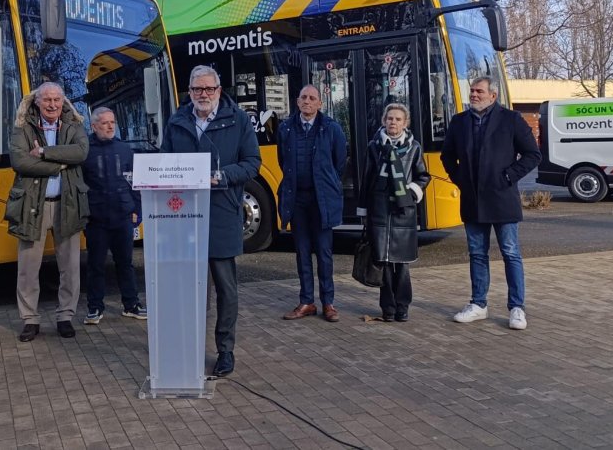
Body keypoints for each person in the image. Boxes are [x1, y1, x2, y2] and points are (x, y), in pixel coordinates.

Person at [161, 65, 261, 377]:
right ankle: (189, 347)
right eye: (197, 90)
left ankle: (225, 351)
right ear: (188, 92)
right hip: (184, 218)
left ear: (219, 90)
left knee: (226, 290)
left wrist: (222, 177)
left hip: (221, 213)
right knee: (189, 290)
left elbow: (252, 163)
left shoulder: (239, 119)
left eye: (209, 89)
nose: (203, 95)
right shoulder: (177, 121)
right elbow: (164, 162)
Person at [441, 76, 541, 330]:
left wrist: (508, 176)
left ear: (492, 96)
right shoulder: (459, 122)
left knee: (510, 252)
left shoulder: (511, 120)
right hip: (473, 200)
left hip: (502, 198)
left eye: (479, 91)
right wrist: (461, 179)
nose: (473, 95)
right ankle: (478, 304)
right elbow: (447, 156)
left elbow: (532, 154)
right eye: (472, 91)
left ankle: (517, 308)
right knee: (476, 253)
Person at [8, 82, 89, 341]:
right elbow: (19, 162)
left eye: (56, 100)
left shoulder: (74, 125)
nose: (52, 105)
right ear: (37, 102)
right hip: (34, 205)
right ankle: (30, 319)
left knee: (70, 267)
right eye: (47, 100)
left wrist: (43, 152)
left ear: (63, 102)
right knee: (28, 267)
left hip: (68, 203)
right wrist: (59, 166)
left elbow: (81, 152)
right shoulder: (23, 126)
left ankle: (65, 316)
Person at [277, 85, 347, 322]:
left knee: (324, 253)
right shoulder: (285, 128)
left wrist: (326, 184)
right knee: (302, 252)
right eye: (303, 97)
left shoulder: (331, 129)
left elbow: (339, 163)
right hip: (297, 200)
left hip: (322, 200)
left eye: (312, 98)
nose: (307, 101)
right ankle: (307, 302)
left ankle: (328, 303)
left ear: (320, 104)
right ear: (297, 102)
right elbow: (282, 161)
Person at [360, 102, 432, 322]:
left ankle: (403, 307)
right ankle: (387, 309)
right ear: (384, 121)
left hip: (403, 213)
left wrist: (410, 193)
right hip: (380, 211)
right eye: (390, 118)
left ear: (405, 123)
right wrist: (364, 210)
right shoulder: (374, 147)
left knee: (401, 264)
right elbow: (367, 178)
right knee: (383, 262)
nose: (393, 122)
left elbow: (423, 176)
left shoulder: (414, 147)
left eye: (398, 119)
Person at [81, 107, 146, 325]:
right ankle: (95, 307)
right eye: (105, 123)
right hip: (96, 218)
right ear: (93, 126)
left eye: (113, 122)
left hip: (123, 216)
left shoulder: (125, 149)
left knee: (125, 263)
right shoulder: (84, 151)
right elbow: (79, 185)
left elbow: (135, 182)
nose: (110, 127)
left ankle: (131, 304)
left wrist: (138, 209)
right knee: (96, 265)